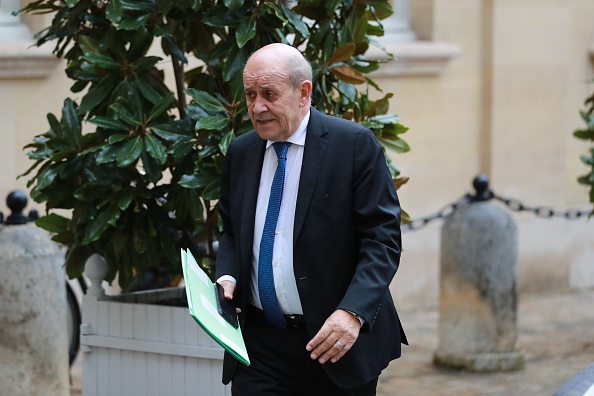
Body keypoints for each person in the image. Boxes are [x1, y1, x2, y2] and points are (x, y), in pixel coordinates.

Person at [215, 43, 407, 396]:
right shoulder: (241, 152)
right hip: (262, 345)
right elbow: (230, 229)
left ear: (303, 92)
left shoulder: (354, 146)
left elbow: (382, 241)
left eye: (269, 94)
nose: (257, 107)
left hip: (336, 341)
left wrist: (352, 313)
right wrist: (227, 276)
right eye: (250, 94)